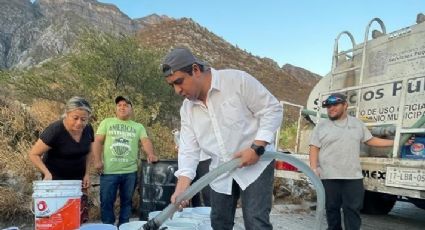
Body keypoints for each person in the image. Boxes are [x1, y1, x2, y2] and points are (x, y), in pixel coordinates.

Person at [161, 47, 283, 230]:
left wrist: (257, 147)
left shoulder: (237, 81)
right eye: (172, 85)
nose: (177, 90)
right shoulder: (187, 109)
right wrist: (182, 187)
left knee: (256, 222)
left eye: (179, 82)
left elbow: (272, 109)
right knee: (219, 223)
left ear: (195, 70)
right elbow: (189, 149)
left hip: (256, 164)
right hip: (220, 169)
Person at [309, 93, 394, 230]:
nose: (331, 108)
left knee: (352, 210)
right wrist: (314, 168)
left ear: (345, 105)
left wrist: (394, 143)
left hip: (353, 177)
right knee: (331, 209)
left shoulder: (357, 124)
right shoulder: (321, 126)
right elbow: (314, 147)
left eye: (335, 105)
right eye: (328, 106)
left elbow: (370, 140)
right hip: (329, 176)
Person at [93, 96, 158, 227]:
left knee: (126, 202)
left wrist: (151, 154)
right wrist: (97, 161)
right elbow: (98, 142)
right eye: (120, 105)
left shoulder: (138, 126)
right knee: (106, 202)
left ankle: (124, 226)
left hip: (130, 172)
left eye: (126, 105)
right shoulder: (107, 122)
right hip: (109, 171)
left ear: (131, 109)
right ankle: (108, 227)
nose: (122, 107)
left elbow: (145, 141)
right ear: (116, 109)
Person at [29, 96, 94, 223]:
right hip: (56, 180)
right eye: (75, 118)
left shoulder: (88, 129)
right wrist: (47, 173)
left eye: (84, 119)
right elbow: (33, 154)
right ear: (66, 114)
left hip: (78, 180)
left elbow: (89, 152)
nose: (79, 123)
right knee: (57, 217)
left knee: (77, 216)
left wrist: (87, 174)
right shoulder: (55, 130)